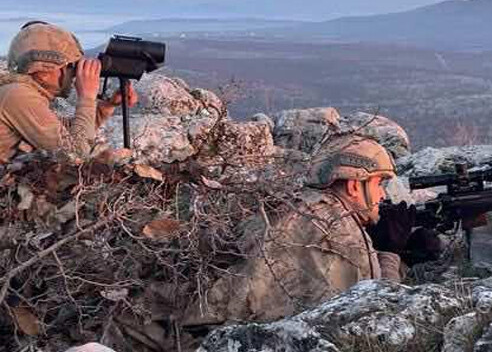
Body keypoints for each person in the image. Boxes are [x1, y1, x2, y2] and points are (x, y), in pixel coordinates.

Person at [183, 136, 439, 326]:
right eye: (378, 184)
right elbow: (377, 320)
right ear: (353, 186)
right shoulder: (338, 229)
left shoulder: (300, 205)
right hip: (216, 343)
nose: (382, 194)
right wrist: (391, 253)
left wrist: (403, 259)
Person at [0, 21, 138, 171]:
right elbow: (76, 153)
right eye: (69, 67)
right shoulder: (17, 96)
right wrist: (87, 96)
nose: (73, 74)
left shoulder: (16, 91)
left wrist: (106, 106)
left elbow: (64, 133)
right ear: (46, 68)